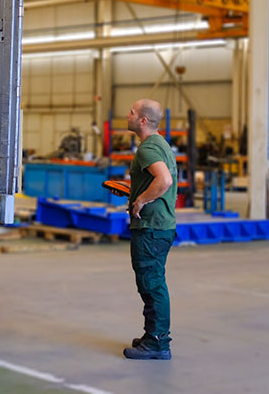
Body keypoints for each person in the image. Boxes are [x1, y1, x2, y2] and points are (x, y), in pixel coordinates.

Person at [123, 98, 178, 361]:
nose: (128, 115)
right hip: (160, 227)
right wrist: (137, 192)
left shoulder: (146, 150)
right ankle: (152, 335)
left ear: (143, 120)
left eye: (132, 112)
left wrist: (141, 200)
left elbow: (164, 180)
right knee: (152, 282)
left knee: (151, 284)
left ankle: (158, 343)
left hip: (151, 228)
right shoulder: (160, 144)